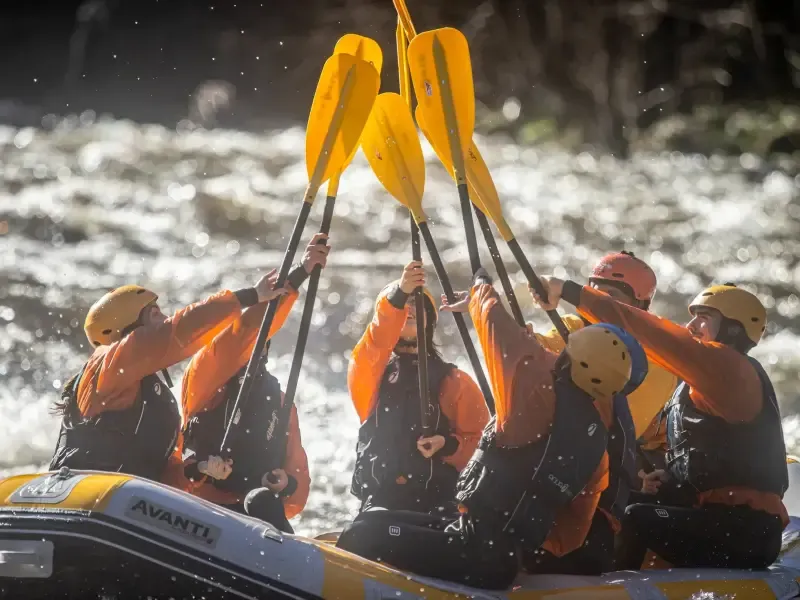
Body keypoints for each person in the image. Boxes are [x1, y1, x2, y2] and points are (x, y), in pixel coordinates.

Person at [336, 268, 646, 590]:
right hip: (501, 554)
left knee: (363, 531)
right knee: (374, 520)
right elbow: (569, 535)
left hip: (474, 550)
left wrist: (479, 284)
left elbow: (494, 325)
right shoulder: (597, 451)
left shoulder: (527, 393)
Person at [532, 277, 788, 570]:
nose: (690, 327)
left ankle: (605, 579)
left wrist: (570, 292)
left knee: (634, 517)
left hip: (745, 531)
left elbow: (646, 329)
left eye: (703, 319)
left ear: (733, 329)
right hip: (719, 518)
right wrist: (668, 479)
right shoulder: (705, 381)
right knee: (624, 503)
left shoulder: (730, 370)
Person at [526, 251, 677, 574]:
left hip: (606, 483)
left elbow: (630, 429)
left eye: (608, 297)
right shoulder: (572, 329)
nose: (596, 304)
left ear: (640, 308)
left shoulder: (661, 362)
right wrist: (521, 337)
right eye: (592, 293)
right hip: (559, 467)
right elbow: (534, 354)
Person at [50, 275, 274, 484]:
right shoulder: (108, 365)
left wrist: (202, 468)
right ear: (128, 327)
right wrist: (251, 296)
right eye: (156, 314)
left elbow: (168, 473)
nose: (167, 319)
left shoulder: (159, 401)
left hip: (127, 500)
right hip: (81, 486)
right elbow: (180, 330)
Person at [179, 235, 328, 532]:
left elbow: (297, 484)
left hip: (255, 511)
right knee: (261, 502)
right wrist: (299, 273)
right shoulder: (207, 378)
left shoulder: (281, 401)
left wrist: (286, 483)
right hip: (203, 508)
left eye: (261, 343)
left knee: (262, 500)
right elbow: (244, 331)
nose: (254, 347)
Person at [345, 260, 489, 513]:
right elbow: (377, 338)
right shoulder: (369, 374)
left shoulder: (456, 382)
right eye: (404, 304)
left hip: (437, 509)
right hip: (380, 507)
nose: (409, 309)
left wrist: (447, 444)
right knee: (371, 528)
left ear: (429, 320)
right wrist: (398, 294)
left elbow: (481, 448)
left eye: (417, 304)